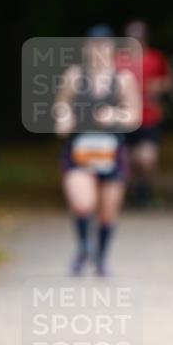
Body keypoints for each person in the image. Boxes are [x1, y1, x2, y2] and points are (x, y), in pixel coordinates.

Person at [54, 26, 141, 275]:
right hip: (79, 150)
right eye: (94, 45)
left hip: (111, 153)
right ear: (86, 48)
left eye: (104, 45)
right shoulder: (74, 75)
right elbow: (61, 104)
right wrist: (64, 118)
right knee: (83, 204)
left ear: (112, 48)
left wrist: (115, 115)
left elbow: (134, 115)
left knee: (107, 213)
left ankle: (101, 258)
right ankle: (83, 247)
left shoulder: (123, 79)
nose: (98, 50)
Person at [119, 20, 172, 208]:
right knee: (128, 159)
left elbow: (167, 82)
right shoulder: (119, 60)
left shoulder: (156, 58)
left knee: (147, 158)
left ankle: (149, 189)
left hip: (149, 117)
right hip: (126, 118)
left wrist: (156, 86)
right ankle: (135, 192)